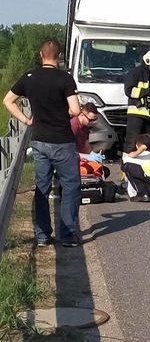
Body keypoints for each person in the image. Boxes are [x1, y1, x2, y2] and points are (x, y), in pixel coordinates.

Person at [3, 40, 82, 247]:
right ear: (59, 55)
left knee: (42, 188)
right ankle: (67, 235)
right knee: (71, 187)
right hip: (62, 141)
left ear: (41, 55)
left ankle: (42, 235)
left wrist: (27, 120)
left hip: (39, 139)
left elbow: (8, 101)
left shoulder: (29, 77)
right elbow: (75, 110)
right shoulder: (65, 79)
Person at [123, 49, 150, 153]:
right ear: (147, 63)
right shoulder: (134, 73)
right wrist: (147, 91)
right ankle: (127, 165)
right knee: (132, 141)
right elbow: (129, 91)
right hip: (136, 113)